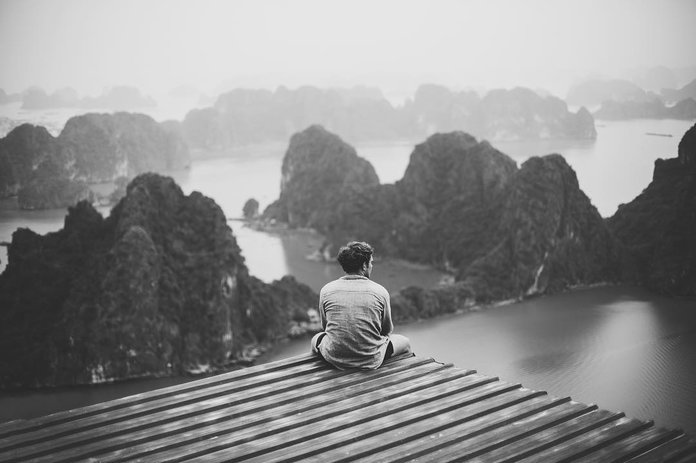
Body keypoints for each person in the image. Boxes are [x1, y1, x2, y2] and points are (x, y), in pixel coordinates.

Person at [311, 241, 412, 369]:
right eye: (371, 262)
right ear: (364, 265)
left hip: (335, 357)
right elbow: (386, 330)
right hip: (371, 358)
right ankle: (408, 374)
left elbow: (325, 327)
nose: (371, 266)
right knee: (405, 342)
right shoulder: (380, 291)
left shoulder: (326, 290)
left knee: (315, 339)